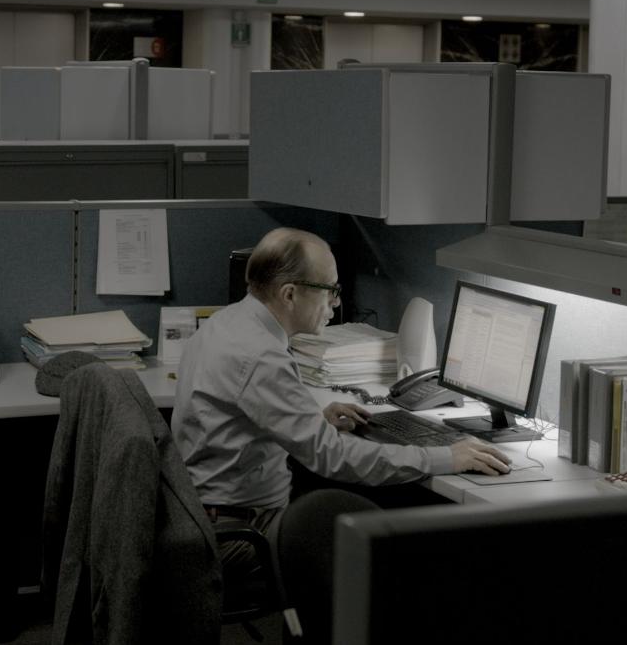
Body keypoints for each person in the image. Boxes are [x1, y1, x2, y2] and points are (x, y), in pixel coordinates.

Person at [171, 227, 510, 547]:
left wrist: (312, 420)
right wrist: (446, 457)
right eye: (329, 289)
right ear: (290, 294)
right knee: (385, 547)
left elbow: (243, 416)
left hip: (207, 514)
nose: (335, 302)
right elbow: (331, 457)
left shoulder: (227, 322)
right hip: (242, 532)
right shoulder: (262, 355)